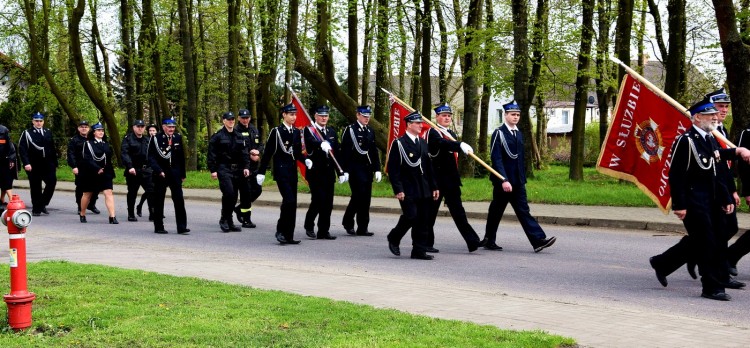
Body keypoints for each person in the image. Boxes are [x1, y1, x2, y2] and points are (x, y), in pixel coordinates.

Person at [650, 100, 750, 301]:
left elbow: (716, 163)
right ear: (696, 117)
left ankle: (663, 263)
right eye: (709, 114)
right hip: (694, 201)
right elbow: (676, 175)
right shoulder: (686, 141)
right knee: (707, 244)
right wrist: (680, 205)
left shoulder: (709, 139)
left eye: (715, 114)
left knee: (713, 238)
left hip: (711, 201)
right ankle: (711, 287)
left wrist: (736, 153)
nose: (715, 117)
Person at [483, 101, 556, 252]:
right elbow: (496, 159)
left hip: (518, 182)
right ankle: (489, 240)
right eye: (512, 114)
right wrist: (503, 179)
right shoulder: (499, 133)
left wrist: (522, 179)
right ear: (506, 115)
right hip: (503, 182)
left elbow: (520, 158)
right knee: (496, 211)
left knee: (523, 211)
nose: (515, 117)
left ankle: (537, 240)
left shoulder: (519, 133)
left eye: (517, 115)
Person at [425, 103, 485, 252]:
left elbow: (451, 149)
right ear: (437, 117)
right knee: (430, 213)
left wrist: (458, 144)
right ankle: (425, 243)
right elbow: (443, 144)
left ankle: (472, 242)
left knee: (459, 212)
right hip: (437, 181)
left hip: (451, 180)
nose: (447, 118)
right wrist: (459, 145)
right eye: (444, 115)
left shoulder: (450, 133)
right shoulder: (433, 133)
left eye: (449, 116)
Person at [386, 111, 439, 260]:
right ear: (409, 125)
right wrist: (398, 189)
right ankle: (394, 237)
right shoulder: (399, 143)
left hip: (423, 187)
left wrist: (434, 186)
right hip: (407, 188)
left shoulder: (422, 142)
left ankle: (419, 250)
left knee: (423, 219)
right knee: (411, 216)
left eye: (421, 123)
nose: (421, 126)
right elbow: (394, 169)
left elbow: (429, 167)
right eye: (417, 123)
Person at [258, 103, 311, 244]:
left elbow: (298, 152)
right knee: (289, 200)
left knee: (292, 204)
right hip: (281, 172)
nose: (294, 117)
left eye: (295, 114)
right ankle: (280, 230)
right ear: (284, 115)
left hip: (292, 172)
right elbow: (268, 153)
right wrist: (261, 172)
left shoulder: (295, 132)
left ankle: (289, 235)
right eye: (291, 114)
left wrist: (305, 160)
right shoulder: (277, 132)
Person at [303, 105, 348, 240]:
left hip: (328, 173)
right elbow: (309, 143)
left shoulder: (331, 132)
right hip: (315, 172)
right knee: (318, 200)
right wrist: (319, 144)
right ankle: (309, 224)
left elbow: (336, 154)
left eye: (326, 116)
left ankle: (323, 230)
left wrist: (341, 172)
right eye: (321, 115)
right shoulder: (309, 130)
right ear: (315, 116)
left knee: (328, 203)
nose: (324, 118)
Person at [340, 105, 381, 236]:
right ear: (357, 115)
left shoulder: (370, 131)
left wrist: (377, 169)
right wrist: (344, 170)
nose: (366, 119)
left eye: (368, 117)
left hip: (367, 168)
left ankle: (363, 227)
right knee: (358, 196)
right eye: (364, 116)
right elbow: (345, 151)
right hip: (354, 168)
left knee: (366, 198)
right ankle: (348, 221)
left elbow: (374, 151)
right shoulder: (350, 130)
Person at [208, 111, 250, 232]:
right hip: (223, 168)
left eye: (232, 119)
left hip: (237, 169)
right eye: (229, 119)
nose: (231, 121)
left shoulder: (239, 135)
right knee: (229, 193)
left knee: (234, 196)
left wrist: (246, 167)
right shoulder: (217, 136)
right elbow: (212, 154)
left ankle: (230, 221)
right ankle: (224, 219)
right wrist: (213, 170)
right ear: (224, 121)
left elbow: (244, 153)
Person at [148, 118, 190, 235]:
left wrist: (182, 174)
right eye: (169, 127)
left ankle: (182, 227)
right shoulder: (156, 139)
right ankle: (159, 226)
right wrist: (159, 170)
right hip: (161, 173)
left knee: (179, 199)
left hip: (175, 173)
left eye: (173, 127)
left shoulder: (177, 137)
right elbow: (151, 157)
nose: (171, 129)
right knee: (159, 200)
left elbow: (181, 157)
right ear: (163, 127)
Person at [18, 112, 58, 216]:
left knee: (52, 183)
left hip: (48, 164)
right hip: (33, 164)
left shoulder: (48, 132)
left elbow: (52, 148)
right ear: (33, 122)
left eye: (40, 121)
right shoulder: (27, 133)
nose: (39, 123)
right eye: (36, 121)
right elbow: (22, 149)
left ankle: (42, 203)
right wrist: (26, 163)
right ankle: (36, 209)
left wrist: (55, 163)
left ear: (43, 122)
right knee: (36, 187)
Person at [78, 123, 118, 224]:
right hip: (91, 173)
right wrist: (97, 168)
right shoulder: (88, 144)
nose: (101, 132)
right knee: (87, 194)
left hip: (106, 172)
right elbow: (87, 159)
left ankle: (112, 216)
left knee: (108, 192)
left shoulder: (105, 144)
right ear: (94, 132)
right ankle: (82, 213)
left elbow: (109, 158)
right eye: (98, 130)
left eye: (102, 131)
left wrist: (106, 169)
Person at [234, 109, 263, 228]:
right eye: (243, 118)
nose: (245, 120)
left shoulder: (253, 129)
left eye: (247, 117)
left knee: (257, 190)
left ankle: (239, 208)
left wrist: (258, 152)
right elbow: (236, 148)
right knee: (245, 193)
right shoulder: (235, 131)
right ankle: (247, 219)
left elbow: (260, 143)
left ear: (250, 118)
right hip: (243, 167)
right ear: (239, 118)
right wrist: (249, 154)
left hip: (254, 166)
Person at [121, 119, 154, 222]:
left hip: (146, 170)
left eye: (142, 127)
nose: (140, 128)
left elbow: (152, 154)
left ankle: (152, 213)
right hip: (133, 170)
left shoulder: (147, 140)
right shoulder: (128, 139)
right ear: (134, 127)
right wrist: (130, 166)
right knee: (132, 193)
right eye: (138, 126)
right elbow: (124, 153)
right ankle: (131, 213)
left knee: (151, 191)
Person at [68, 120, 100, 216]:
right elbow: (71, 154)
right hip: (80, 167)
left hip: (93, 167)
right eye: (82, 127)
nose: (84, 128)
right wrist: (74, 166)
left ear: (89, 128)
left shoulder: (92, 139)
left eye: (86, 127)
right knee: (81, 188)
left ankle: (91, 204)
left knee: (96, 186)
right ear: (78, 129)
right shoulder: (74, 140)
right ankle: (80, 207)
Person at [136, 124, 159, 220]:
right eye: (150, 131)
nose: (152, 132)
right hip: (147, 170)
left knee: (153, 191)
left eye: (154, 130)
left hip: (157, 169)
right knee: (150, 191)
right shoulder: (146, 141)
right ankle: (152, 213)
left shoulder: (159, 141)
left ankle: (142, 206)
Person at [0, 124, 16, 209]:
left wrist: (11, 159)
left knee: (7, 180)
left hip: (3, 160)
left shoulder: (3, 130)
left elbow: (10, 146)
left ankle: (10, 200)